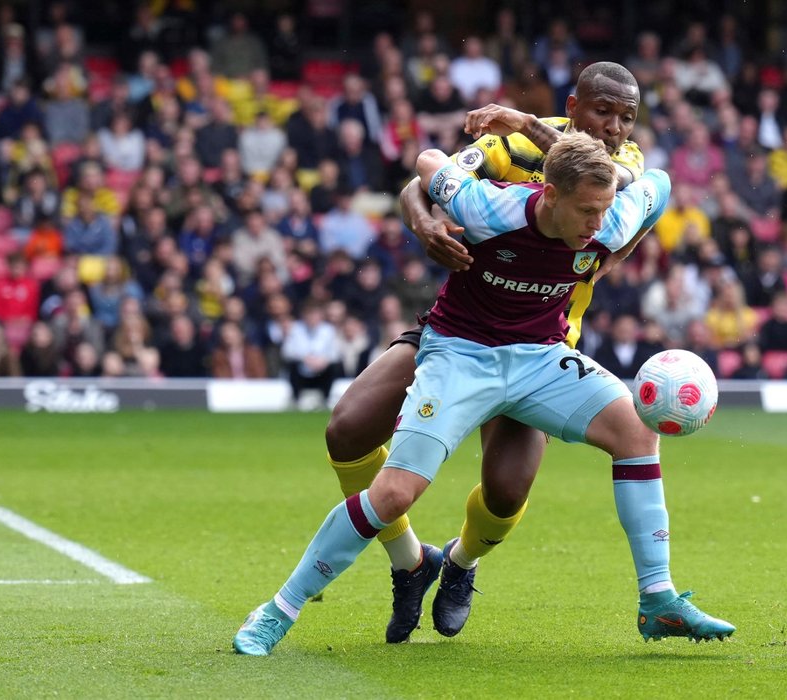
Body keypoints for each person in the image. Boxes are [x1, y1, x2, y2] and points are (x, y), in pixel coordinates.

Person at [234, 132, 734, 656]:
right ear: (551, 196)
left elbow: (660, 182)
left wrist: (623, 213)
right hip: (459, 354)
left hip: (539, 356)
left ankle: (657, 600)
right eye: (587, 211)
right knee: (393, 494)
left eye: (605, 209)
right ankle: (277, 610)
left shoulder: (611, 217)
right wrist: (428, 222)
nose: (597, 224)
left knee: (635, 430)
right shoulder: (485, 205)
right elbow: (427, 162)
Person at [319, 62, 649, 645]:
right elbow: (420, 183)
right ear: (573, 105)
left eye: (627, 116)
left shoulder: (623, 166)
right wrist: (425, 227)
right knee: (347, 429)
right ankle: (409, 562)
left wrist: (524, 120)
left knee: (505, 492)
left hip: (540, 347)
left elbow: (599, 183)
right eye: (603, 111)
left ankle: (459, 565)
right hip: (460, 330)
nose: (615, 127)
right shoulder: (512, 146)